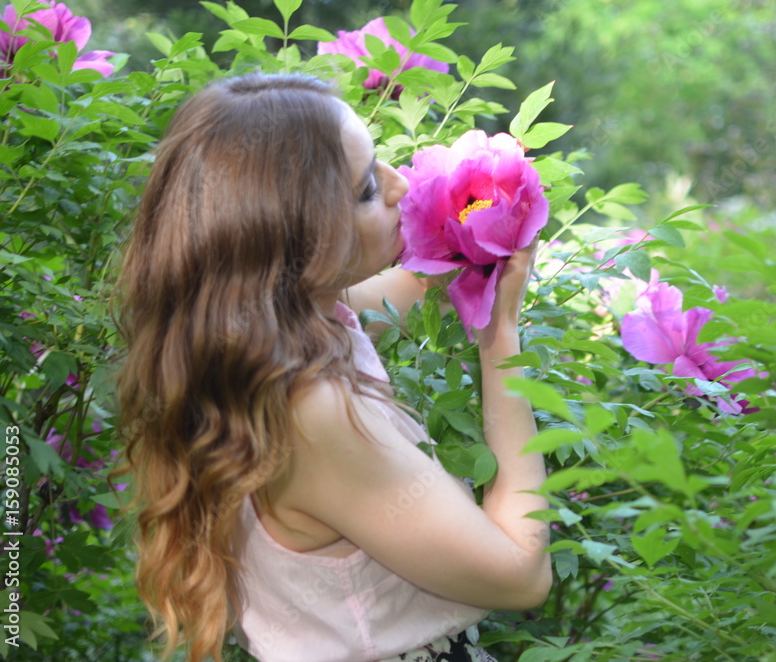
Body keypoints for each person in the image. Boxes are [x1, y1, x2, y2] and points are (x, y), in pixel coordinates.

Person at [113, 72, 552, 662]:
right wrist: (501, 338)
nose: (400, 185)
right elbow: (521, 574)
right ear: (298, 235)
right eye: (368, 187)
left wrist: (481, 210)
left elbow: (422, 279)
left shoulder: (272, 337)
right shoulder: (313, 411)